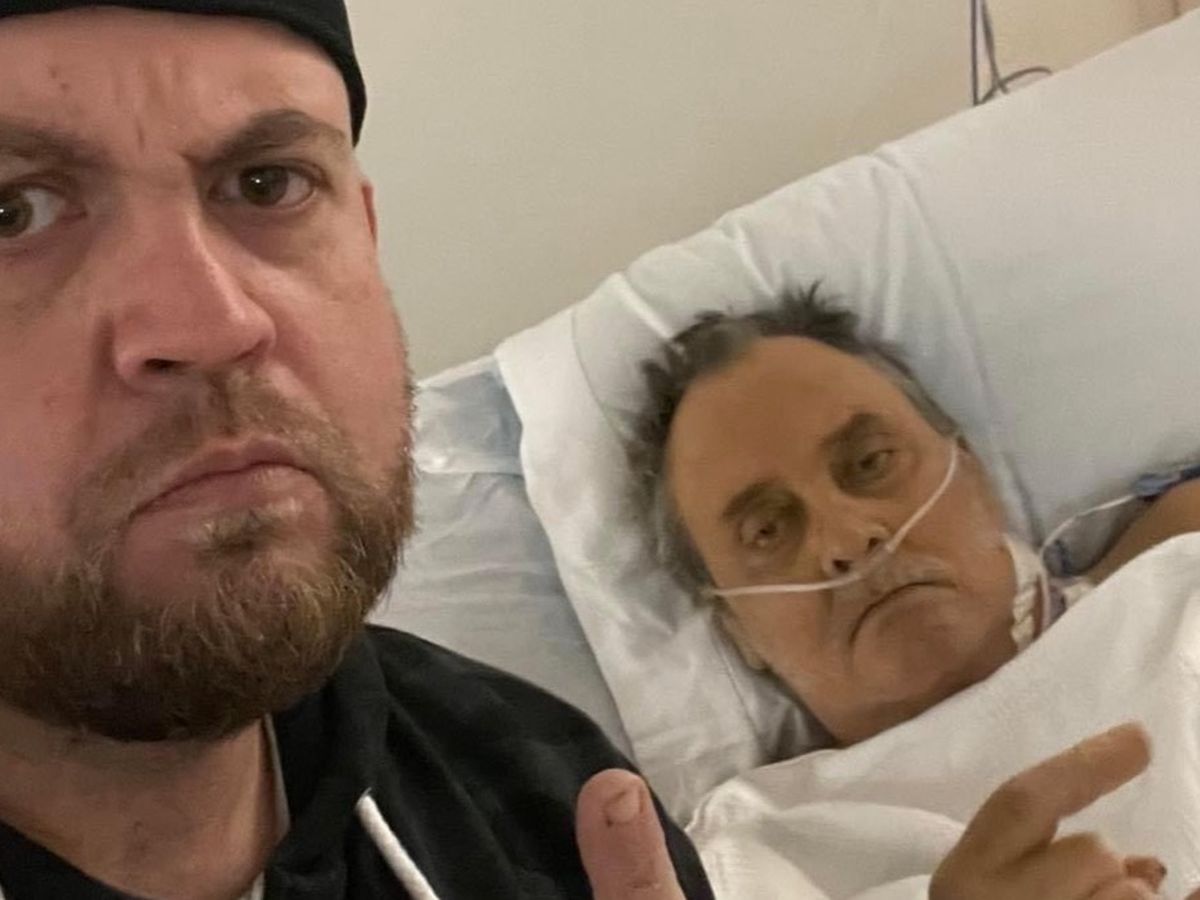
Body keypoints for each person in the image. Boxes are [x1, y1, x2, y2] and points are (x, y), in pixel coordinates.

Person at [0, 3, 715, 898]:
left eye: (268, 184)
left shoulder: (551, 807)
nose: (214, 324)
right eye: (12, 214)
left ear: (367, 237)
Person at [625, 286, 1200, 898]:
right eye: (766, 529)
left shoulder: (1175, 587)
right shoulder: (749, 857)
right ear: (738, 630)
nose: (848, 540)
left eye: (871, 462)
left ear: (973, 473)